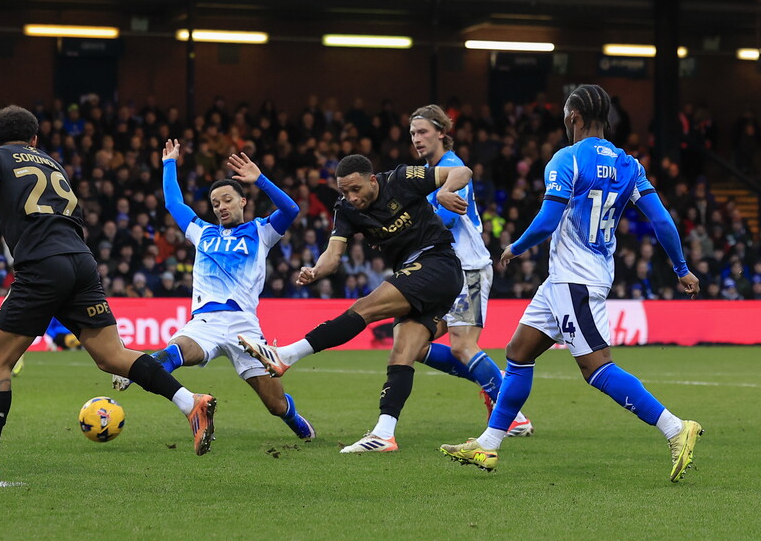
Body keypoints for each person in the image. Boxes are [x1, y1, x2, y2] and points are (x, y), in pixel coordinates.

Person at [0, 106, 217, 486]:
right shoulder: (54, 164)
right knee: (112, 356)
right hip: (80, 261)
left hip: (40, 264)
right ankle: (190, 402)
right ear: (35, 140)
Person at [439, 85, 703, 482]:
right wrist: (681, 267)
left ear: (574, 116)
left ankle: (675, 428)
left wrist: (514, 246)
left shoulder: (567, 159)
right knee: (519, 351)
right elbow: (662, 220)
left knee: (597, 369)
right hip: (571, 278)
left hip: (574, 280)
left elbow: (547, 221)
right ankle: (489, 445)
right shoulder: (629, 164)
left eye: (566, 115)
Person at [240, 154, 472, 453]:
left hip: (437, 261)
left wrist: (443, 191)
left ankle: (286, 355)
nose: (351, 197)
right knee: (401, 353)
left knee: (366, 306)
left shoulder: (401, 178)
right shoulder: (346, 210)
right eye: (344, 192)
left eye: (355, 189)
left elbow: (462, 171)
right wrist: (316, 270)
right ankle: (384, 434)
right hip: (415, 274)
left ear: (372, 180)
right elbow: (333, 256)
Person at [113, 141, 315, 440]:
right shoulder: (202, 231)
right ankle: (135, 367)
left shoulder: (261, 231)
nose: (221, 207)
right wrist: (169, 164)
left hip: (244, 326)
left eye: (227, 200)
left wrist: (259, 178)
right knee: (175, 353)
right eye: (216, 202)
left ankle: (293, 417)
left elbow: (291, 208)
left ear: (243, 202)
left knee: (275, 405)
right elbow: (173, 204)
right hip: (205, 322)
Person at [408, 104, 533, 436]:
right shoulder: (425, 171)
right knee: (412, 343)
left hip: (468, 267)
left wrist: (418, 210)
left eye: (422, 132)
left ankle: (514, 415)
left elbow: (448, 219)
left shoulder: (454, 168)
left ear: (441, 133)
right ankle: (498, 384)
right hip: (441, 269)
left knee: (463, 345)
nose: (416, 139)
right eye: (412, 134)